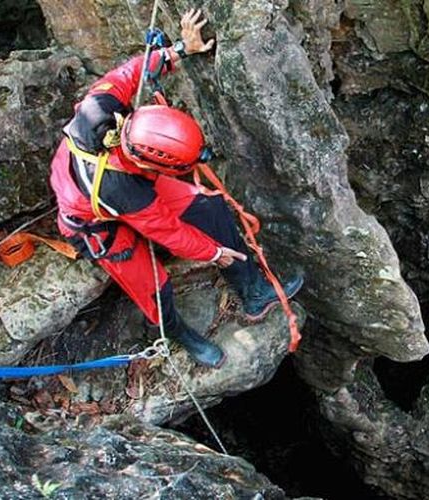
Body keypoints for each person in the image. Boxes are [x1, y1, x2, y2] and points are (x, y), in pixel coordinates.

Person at [49, 9, 303, 369]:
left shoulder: (102, 107)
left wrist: (179, 50)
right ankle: (179, 334)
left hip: (120, 181)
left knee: (210, 209)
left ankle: (253, 294)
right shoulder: (124, 190)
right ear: (151, 164)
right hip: (93, 222)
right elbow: (169, 231)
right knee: (154, 288)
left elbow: (130, 73)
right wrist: (214, 254)